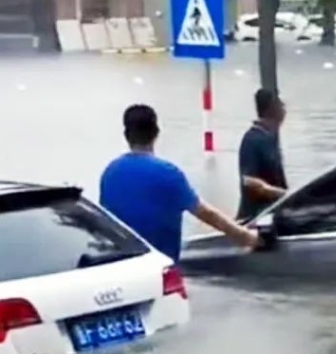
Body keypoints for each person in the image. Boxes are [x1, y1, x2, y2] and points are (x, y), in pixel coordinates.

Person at [100, 104, 257, 261]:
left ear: (126, 135)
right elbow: (206, 214)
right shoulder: (168, 174)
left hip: (121, 265)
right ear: (156, 132)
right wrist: (246, 237)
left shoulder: (110, 173)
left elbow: (104, 222)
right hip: (159, 266)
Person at [237, 88, 288, 222]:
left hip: (273, 214)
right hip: (254, 218)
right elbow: (249, 182)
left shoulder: (270, 138)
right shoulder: (252, 139)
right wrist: (283, 195)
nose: (284, 107)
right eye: (280, 103)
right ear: (270, 109)